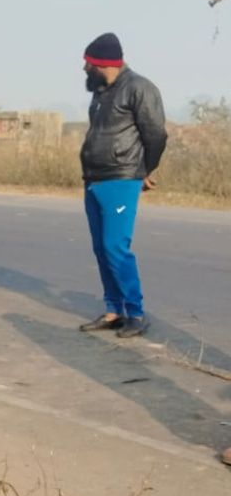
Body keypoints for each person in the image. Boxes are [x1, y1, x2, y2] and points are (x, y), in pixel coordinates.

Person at [77, 33, 167, 339]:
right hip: (94, 179)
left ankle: (136, 313)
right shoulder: (101, 92)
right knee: (101, 248)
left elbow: (156, 135)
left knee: (116, 247)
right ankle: (114, 310)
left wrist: (145, 170)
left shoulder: (140, 88)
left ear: (101, 63)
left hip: (121, 178)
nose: (84, 69)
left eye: (87, 64)